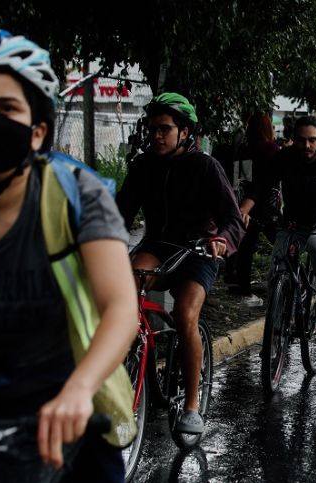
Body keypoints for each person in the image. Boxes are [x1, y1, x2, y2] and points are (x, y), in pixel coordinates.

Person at [0, 30, 137, 482]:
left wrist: (79, 390)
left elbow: (120, 309)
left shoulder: (74, 193)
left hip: (70, 408)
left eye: (6, 108)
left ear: (37, 132)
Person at [116, 92, 245, 435]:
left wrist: (221, 241)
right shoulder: (142, 166)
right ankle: (135, 352)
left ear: (184, 132)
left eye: (165, 129)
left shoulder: (205, 166)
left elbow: (233, 220)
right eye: (152, 129)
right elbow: (119, 214)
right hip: (158, 246)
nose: (156, 135)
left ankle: (190, 406)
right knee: (126, 288)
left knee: (186, 316)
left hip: (198, 251)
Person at [243, 116, 316, 323]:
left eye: (312, 140)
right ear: (293, 139)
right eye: (301, 140)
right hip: (293, 221)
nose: (306, 145)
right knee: (277, 267)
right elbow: (262, 185)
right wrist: (243, 210)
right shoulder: (284, 157)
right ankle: (275, 330)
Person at [231, 112, 282, 303]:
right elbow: (273, 179)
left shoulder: (244, 149)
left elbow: (240, 180)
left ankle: (242, 288)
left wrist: (241, 205)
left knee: (245, 246)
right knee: (281, 241)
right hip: (268, 205)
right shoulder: (272, 149)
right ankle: (284, 281)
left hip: (248, 204)